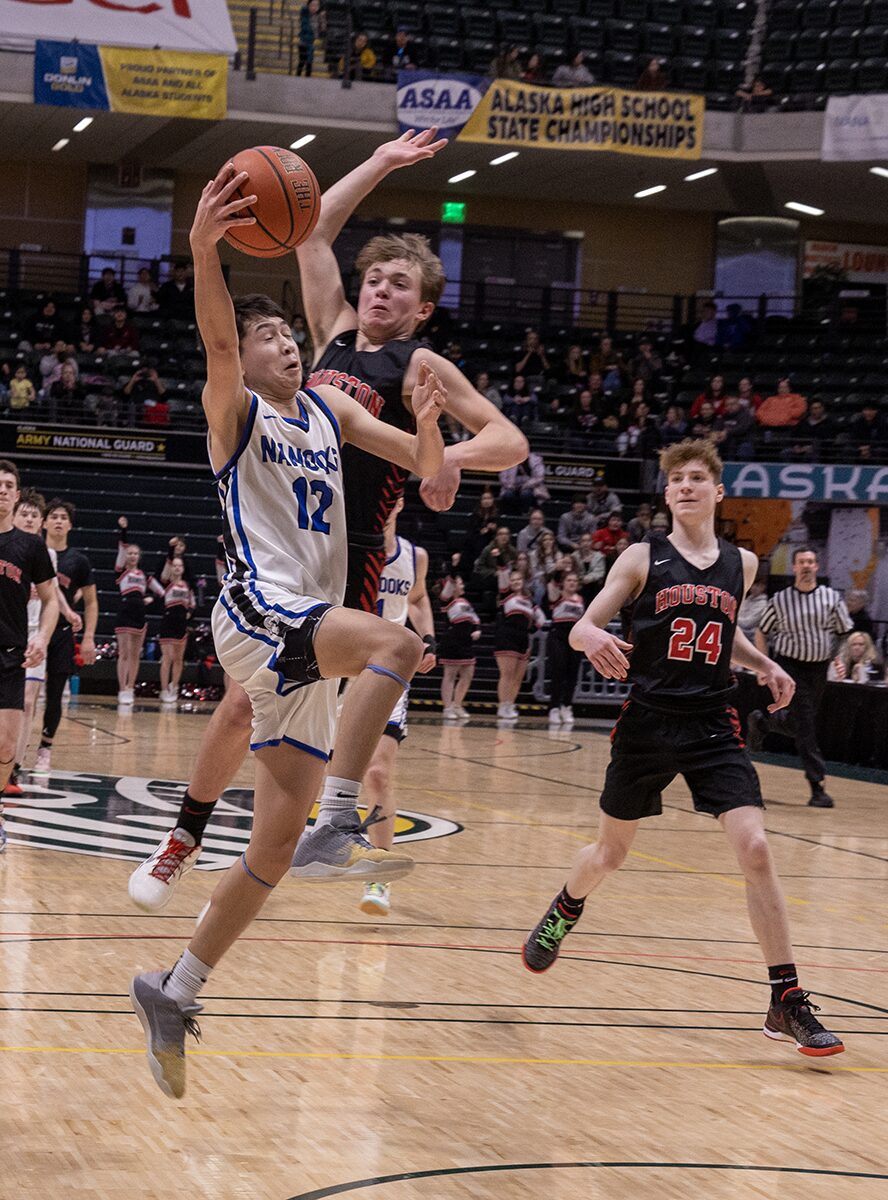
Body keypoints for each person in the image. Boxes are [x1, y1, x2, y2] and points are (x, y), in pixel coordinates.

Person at [129, 130, 526, 911]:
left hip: (355, 559)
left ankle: (325, 838)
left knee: (299, 709)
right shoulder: (330, 336)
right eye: (374, 279)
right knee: (243, 701)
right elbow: (308, 230)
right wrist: (379, 162)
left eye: (399, 285)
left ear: (424, 305)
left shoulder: (420, 367)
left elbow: (509, 441)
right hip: (280, 535)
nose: (380, 292)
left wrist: (444, 460)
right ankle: (190, 837)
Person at [129, 162, 447, 1097]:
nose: (285, 347)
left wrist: (428, 425)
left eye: (289, 337)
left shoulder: (329, 408)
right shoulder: (234, 408)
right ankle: (345, 818)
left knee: (271, 843)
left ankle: (176, 987)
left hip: (300, 642)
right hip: (260, 613)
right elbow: (217, 334)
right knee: (399, 644)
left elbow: (423, 468)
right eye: (271, 338)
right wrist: (200, 247)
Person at [522, 439, 845, 1059]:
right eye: (677, 480)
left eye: (699, 478)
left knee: (755, 847)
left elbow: (725, 637)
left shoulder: (744, 564)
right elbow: (587, 623)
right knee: (609, 855)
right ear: (667, 494)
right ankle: (567, 905)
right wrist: (591, 638)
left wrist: (766, 663)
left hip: (710, 722)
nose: (688, 486)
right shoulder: (642, 557)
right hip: (646, 721)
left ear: (718, 492)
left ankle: (786, 997)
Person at [359, 497, 436, 917]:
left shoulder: (413, 556)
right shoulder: (348, 548)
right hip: (338, 668)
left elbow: (419, 599)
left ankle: (380, 877)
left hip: (387, 672)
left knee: (377, 772)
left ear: (398, 503)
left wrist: (426, 637)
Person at [749, 547, 853, 808]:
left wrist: (838, 657)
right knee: (805, 724)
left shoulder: (831, 598)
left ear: (817, 566)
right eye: (801, 562)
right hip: (789, 667)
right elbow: (762, 632)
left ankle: (762, 723)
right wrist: (764, 665)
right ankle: (817, 786)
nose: (806, 565)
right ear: (794, 567)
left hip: (818, 669)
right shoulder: (781, 599)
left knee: (798, 723)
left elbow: (844, 632)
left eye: (811, 561)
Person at [0, 461, 58, 849]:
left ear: (16, 495)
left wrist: (42, 638)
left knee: (5, 747)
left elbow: (52, 600)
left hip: (10, 656)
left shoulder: (31, 546)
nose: (2, 490)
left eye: (8, 485)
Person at [5, 490, 76, 797]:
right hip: (18, 631)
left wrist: (66, 615)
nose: (31, 518)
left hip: (29, 639)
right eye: (27, 514)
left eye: (36, 514)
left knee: (29, 701)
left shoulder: (38, 551)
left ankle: (18, 763)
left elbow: (52, 594)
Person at [34, 500, 97, 775]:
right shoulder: (32, 552)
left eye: (63, 517)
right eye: (53, 516)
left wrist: (89, 638)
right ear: (44, 522)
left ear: (70, 525)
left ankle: (44, 749)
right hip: (29, 629)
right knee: (23, 695)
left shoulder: (78, 561)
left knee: (55, 694)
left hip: (60, 634)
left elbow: (92, 603)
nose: (58, 521)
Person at [494, 569, 545, 720]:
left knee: (517, 677)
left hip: (523, 639)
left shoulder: (529, 601)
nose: (516, 582)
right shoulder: (506, 596)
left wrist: (531, 629)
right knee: (507, 675)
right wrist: (500, 559)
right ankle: (503, 706)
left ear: (523, 582)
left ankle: (510, 704)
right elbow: (502, 576)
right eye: (513, 580)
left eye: (518, 580)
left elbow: (541, 618)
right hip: (506, 637)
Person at [114, 517, 152, 705]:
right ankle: (122, 688)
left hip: (139, 613)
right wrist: (124, 530)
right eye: (130, 553)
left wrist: (151, 598)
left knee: (136, 653)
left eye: (135, 554)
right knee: (125, 652)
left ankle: (130, 687)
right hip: (125, 611)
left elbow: (163, 592)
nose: (132, 556)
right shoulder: (121, 571)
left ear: (139, 556)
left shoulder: (144, 576)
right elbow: (121, 548)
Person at [150, 556, 195, 703]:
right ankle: (163, 689)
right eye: (174, 565)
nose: (176, 568)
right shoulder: (166, 583)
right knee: (167, 658)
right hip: (168, 622)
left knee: (178, 659)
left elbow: (192, 604)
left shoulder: (187, 586)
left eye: (179, 566)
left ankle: (174, 687)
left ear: (183, 568)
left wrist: (189, 614)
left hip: (181, 623)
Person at [439, 575, 480, 719]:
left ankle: (457, 704)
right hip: (452, 641)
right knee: (450, 675)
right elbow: (448, 586)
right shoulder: (446, 601)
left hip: (466, 643)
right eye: (460, 584)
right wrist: (455, 569)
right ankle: (448, 707)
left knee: (468, 675)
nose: (462, 586)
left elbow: (475, 619)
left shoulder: (465, 602)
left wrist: (477, 629)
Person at [546, 570, 584, 726]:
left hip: (574, 636)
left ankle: (567, 706)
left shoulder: (580, 599)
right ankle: (554, 707)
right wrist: (558, 568)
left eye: (575, 580)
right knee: (558, 671)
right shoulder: (557, 595)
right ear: (563, 582)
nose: (572, 582)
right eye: (569, 580)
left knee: (572, 673)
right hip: (558, 635)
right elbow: (552, 580)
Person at [297, 0, 325, 76]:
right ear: (308, 6)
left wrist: (322, 16)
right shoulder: (305, 14)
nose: (314, 7)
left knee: (309, 62)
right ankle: (297, 76)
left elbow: (323, 29)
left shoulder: (319, 16)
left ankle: (307, 79)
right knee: (302, 61)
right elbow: (304, 9)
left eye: (317, 5)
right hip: (303, 41)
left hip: (311, 42)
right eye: (312, 5)